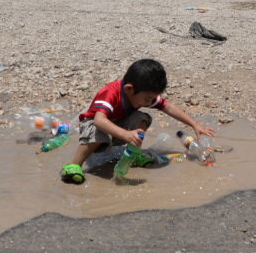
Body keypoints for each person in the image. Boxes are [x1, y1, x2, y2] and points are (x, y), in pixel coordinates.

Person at [60, 59, 217, 184]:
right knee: (97, 128)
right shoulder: (111, 93)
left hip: (120, 129)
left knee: (142, 118)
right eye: (147, 99)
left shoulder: (141, 94)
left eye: (152, 99)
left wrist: (195, 124)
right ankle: (74, 165)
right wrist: (126, 134)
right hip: (94, 128)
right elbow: (99, 121)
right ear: (129, 89)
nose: (150, 103)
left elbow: (169, 107)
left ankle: (132, 155)